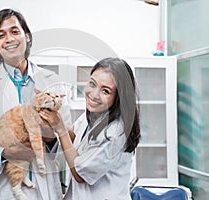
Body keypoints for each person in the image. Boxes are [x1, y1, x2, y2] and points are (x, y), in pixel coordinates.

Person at [0, 8, 70, 200]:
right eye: (1, 35)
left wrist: (51, 140)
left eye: (15, 31)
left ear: (26, 37)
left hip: (46, 190)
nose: (9, 39)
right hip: (4, 191)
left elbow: (66, 133)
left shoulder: (52, 80)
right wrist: (5, 153)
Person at [39, 57, 141, 200]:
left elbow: (80, 174)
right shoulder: (95, 114)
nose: (94, 94)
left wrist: (60, 128)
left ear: (119, 97)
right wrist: (51, 116)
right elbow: (75, 135)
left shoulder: (115, 132)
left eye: (105, 91)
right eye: (92, 84)